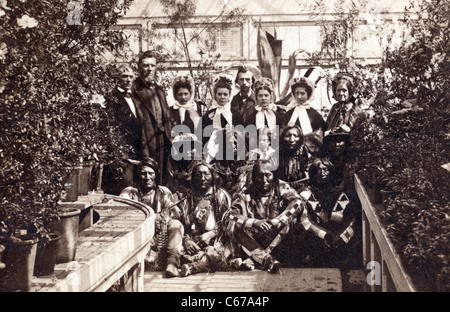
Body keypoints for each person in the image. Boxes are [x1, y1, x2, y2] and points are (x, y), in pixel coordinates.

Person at [221, 159, 306, 273]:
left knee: (292, 220)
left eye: (268, 175)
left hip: (277, 236)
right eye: (259, 176)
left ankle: (258, 259)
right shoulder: (247, 191)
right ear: (254, 177)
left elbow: (298, 202)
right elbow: (230, 214)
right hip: (254, 238)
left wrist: (279, 220)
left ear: (273, 175)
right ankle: (266, 259)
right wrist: (253, 222)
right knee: (235, 227)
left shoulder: (281, 186)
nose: (264, 180)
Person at [119, 158, 184, 277]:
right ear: (138, 175)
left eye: (151, 173)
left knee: (176, 225)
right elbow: (124, 217)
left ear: (156, 175)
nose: (147, 177)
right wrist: (150, 222)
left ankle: (172, 263)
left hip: (159, 234)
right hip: (138, 234)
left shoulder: (163, 192)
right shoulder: (129, 193)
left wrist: (165, 216)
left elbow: (174, 212)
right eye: (143, 173)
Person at [168, 161, 233, 276]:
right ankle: (186, 261)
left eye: (206, 174)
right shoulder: (186, 198)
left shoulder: (221, 196)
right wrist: (186, 240)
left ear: (212, 177)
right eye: (198, 175)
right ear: (193, 178)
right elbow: (179, 223)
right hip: (193, 242)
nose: (202, 178)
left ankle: (194, 266)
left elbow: (229, 223)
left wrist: (212, 233)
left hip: (217, 241)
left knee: (216, 254)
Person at [299, 158, 361, 268]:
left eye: (325, 169)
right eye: (318, 170)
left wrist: (339, 238)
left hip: (337, 241)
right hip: (316, 239)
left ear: (330, 172)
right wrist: (325, 235)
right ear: (313, 173)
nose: (322, 173)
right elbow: (306, 221)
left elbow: (350, 219)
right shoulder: (305, 194)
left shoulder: (340, 195)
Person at [132, 51, 173, 186]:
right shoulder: (134, 90)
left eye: (152, 65)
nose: (149, 69)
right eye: (145, 65)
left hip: (162, 142)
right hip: (144, 142)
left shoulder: (159, 90)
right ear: (138, 67)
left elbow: (166, 116)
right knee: (146, 179)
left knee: (162, 179)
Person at [102, 64, 143, 195]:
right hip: (121, 155)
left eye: (131, 76)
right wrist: (121, 155)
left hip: (136, 152)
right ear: (117, 78)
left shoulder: (136, 98)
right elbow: (110, 128)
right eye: (124, 76)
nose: (128, 80)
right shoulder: (111, 98)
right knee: (122, 190)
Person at [280, 76, 326, 156]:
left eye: (302, 93)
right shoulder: (288, 114)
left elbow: (320, 134)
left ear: (308, 95)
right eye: (297, 93)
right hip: (290, 152)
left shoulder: (314, 114)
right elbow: (283, 133)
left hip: (309, 152)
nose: (299, 96)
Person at [275, 125, 309, 193]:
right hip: (280, 189)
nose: (291, 140)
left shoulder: (305, 154)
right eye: (288, 136)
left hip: (301, 189)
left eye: (295, 136)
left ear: (300, 138)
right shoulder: (276, 154)